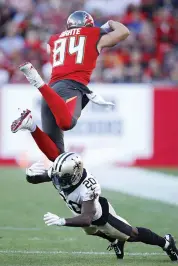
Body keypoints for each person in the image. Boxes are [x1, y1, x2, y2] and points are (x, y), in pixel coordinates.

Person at [11, 10, 130, 162]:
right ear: (88, 25)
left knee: (56, 156)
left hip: (51, 92)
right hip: (70, 87)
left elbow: (53, 47)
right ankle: (38, 82)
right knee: (67, 123)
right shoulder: (93, 35)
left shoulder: (54, 39)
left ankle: (31, 126)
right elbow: (124, 32)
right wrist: (110, 23)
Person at [26, 152, 178, 261]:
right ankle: (115, 241)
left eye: (62, 178)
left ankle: (165, 242)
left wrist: (62, 221)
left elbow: (87, 218)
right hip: (80, 212)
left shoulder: (88, 188)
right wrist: (29, 174)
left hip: (100, 216)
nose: (58, 182)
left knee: (131, 234)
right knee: (90, 232)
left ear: (75, 175)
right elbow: (36, 178)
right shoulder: (60, 172)